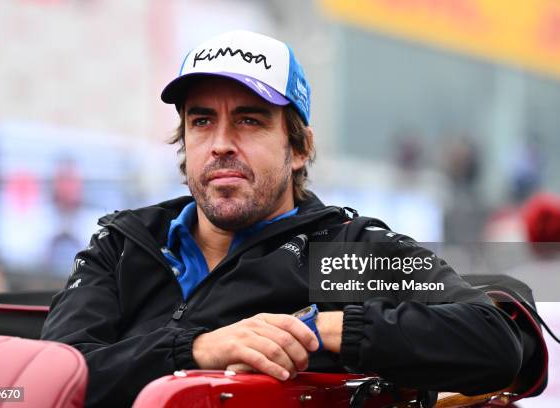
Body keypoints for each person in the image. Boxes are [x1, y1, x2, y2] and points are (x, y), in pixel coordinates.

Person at [41, 30, 524, 407]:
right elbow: (52, 376)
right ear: (185, 142)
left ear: (299, 147)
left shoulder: (341, 253)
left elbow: (492, 340)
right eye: (202, 120)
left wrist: (322, 328)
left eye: (249, 120)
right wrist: (198, 348)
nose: (221, 142)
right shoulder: (126, 242)